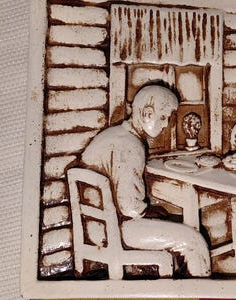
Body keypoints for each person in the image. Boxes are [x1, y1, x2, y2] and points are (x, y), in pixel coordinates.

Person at [80, 84, 211, 278]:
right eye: (164, 117)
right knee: (195, 241)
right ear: (147, 114)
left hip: (96, 225)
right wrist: (148, 211)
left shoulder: (114, 134)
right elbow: (130, 208)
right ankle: (200, 288)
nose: (166, 125)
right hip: (113, 230)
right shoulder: (131, 146)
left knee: (167, 217)